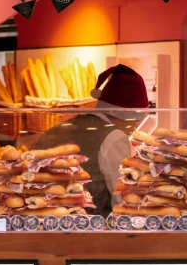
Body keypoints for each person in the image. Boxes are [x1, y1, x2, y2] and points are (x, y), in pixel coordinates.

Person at [35, 64, 154, 217]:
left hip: (44, 225)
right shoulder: (115, 137)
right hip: (93, 228)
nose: (135, 126)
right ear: (129, 117)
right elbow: (122, 197)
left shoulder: (53, 131)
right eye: (137, 121)